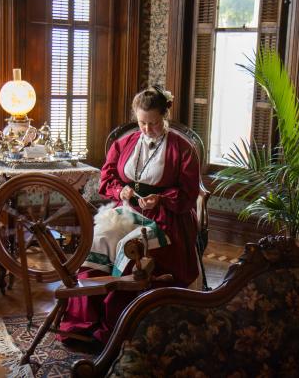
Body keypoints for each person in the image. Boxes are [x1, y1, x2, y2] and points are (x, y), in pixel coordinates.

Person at [59, 85, 201, 343]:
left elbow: (189, 193)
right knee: (100, 239)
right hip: (126, 209)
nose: (146, 129)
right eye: (141, 123)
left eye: (153, 123)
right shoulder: (123, 143)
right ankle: (85, 318)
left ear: (164, 116)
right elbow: (107, 177)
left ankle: (116, 323)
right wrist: (120, 190)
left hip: (166, 217)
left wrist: (160, 199)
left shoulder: (182, 148)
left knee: (129, 247)